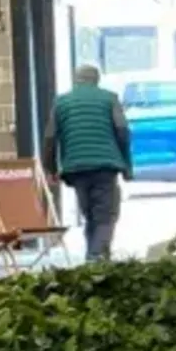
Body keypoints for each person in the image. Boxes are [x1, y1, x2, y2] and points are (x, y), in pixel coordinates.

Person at [42, 65, 132, 262]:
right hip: (105, 166)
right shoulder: (109, 98)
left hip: (76, 168)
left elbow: (50, 137)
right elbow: (123, 131)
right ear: (96, 80)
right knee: (106, 215)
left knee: (90, 214)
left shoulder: (61, 102)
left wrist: (51, 168)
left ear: (76, 80)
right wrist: (126, 164)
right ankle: (96, 256)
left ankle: (96, 258)